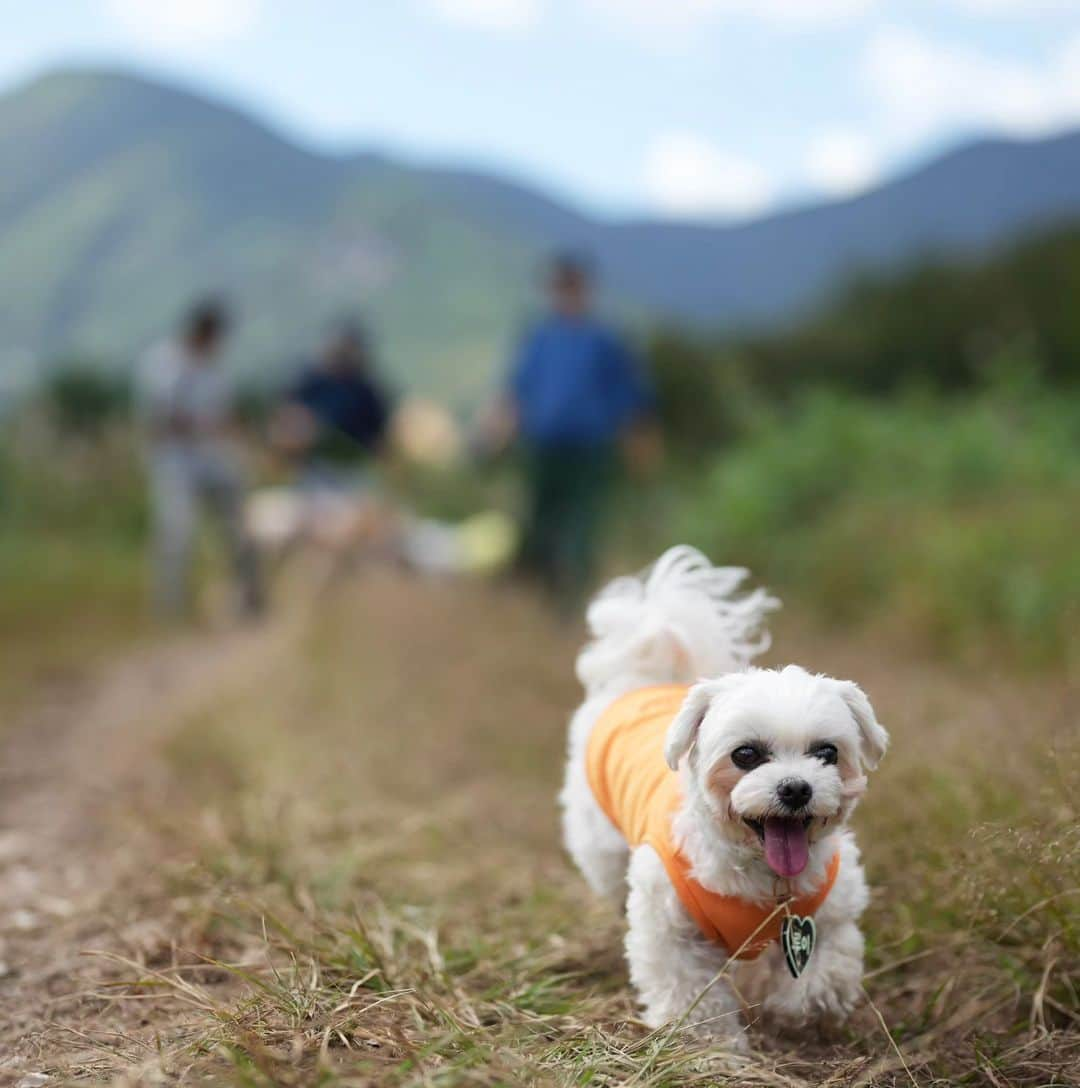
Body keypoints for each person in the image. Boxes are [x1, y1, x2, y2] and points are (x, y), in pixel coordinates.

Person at [494, 254, 656, 610]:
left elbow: (629, 399)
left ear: (586, 289)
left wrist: (639, 447)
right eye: (560, 286)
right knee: (539, 523)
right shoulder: (540, 337)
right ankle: (541, 592)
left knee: (581, 526)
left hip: (589, 450)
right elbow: (517, 391)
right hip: (542, 447)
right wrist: (501, 431)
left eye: (572, 286)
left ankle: (572, 602)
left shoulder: (605, 340)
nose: (566, 293)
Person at [136, 299, 263, 619]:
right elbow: (158, 421)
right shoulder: (164, 363)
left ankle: (251, 598)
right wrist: (201, 425)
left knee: (240, 523)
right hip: (175, 462)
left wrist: (243, 438)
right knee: (177, 532)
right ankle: (169, 608)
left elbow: (225, 415)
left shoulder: (213, 369)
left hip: (212, 458)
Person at [273, 321, 391, 490]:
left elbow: (379, 437)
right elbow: (287, 418)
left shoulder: (367, 390)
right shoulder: (311, 382)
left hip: (354, 469)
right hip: (314, 468)